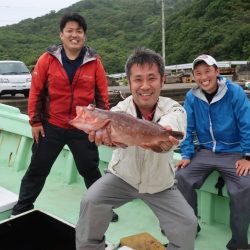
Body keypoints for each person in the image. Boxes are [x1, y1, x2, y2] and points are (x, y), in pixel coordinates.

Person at [75, 47, 197, 250]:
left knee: (188, 224)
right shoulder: (119, 111)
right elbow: (107, 133)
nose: (145, 86)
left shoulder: (174, 108)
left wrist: (165, 131)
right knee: (91, 201)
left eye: (152, 78)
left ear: (162, 80)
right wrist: (105, 139)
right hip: (122, 177)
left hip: (161, 184)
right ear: (129, 83)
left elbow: (174, 123)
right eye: (138, 79)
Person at [12, 12, 118, 222]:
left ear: (84, 36)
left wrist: (100, 126)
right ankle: (22, 207)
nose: (74, 35)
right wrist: (35, 121)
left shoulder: (94, 61)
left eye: (79, 31)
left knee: (90, 169)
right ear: (61, 35)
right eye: (69, 30)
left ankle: (103, 209)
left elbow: (101, 97)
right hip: (51, 125)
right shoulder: (47, 59)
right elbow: (36, 92)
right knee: (38, 168)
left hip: (83, 128)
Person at [175, 54, 250, 250]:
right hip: (206, 151)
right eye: (198, 73)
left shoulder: (235, 92)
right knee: (181, 177)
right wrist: (186, 155)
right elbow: (187, 128)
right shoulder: (192, 97)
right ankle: (190, 228)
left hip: (234, 151)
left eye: (208, 71)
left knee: (245, 185)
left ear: (217, 72)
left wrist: (247, 156)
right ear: (194, 77)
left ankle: (239, 243)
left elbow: (247, 124)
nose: (203, 77)